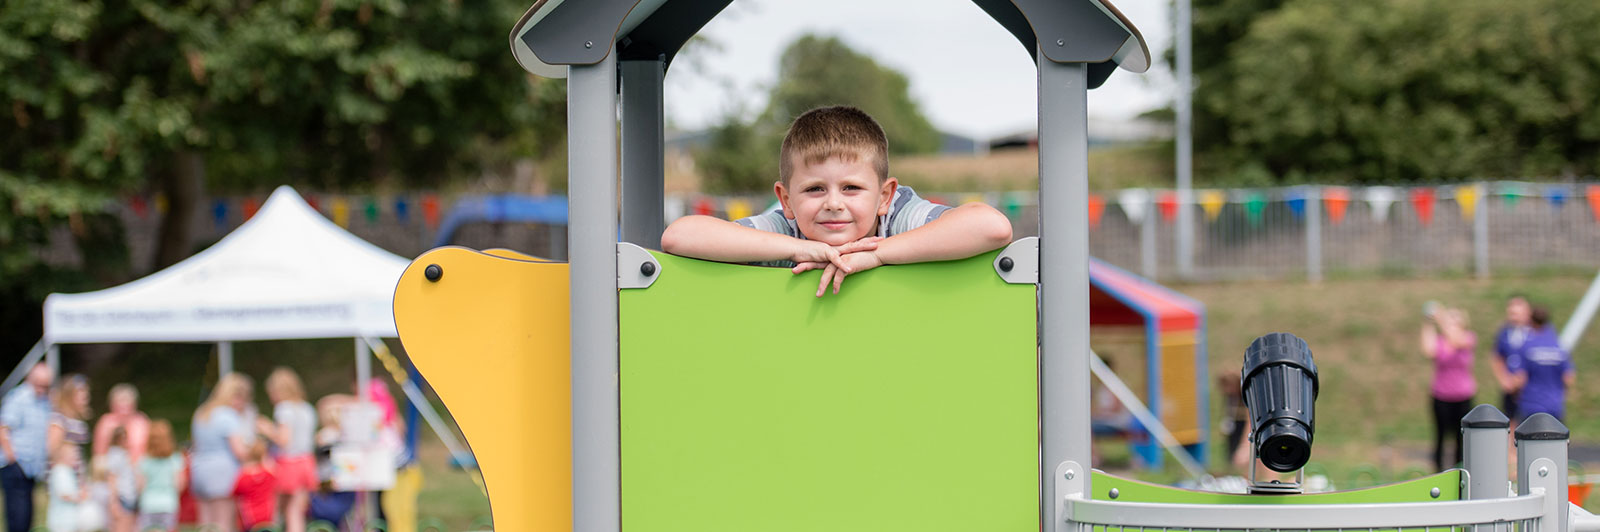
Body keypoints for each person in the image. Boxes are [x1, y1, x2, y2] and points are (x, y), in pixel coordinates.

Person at [660, 105, 1013, 297]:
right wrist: (798, 249)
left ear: (884, 196)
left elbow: (992, 227)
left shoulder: (898, 216)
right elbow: (679, 236)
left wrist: (876, 253)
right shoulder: (787, 227)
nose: (833, 203)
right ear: (785, 199)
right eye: (814, 189)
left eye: (851, 188)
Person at [191, 373, 255, 532]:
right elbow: (239, 451)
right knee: (223, 522)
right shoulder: (228, 415)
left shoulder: (202, 412)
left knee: (206, 523)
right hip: (222, 473)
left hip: (199, 470)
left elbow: (195, 444)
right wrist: (254, 451)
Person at [258, 367, 317, 532]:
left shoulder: (284, 409)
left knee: (280, 510)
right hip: (305, 461)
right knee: (297, 510)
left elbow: (284, 440)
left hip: (288, 463)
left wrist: (266, 428)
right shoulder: (307, 408)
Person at [1421, 304, 1476, 471]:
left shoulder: (1468, 338)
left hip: (1463, 395)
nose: (1449, 323)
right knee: (1440, 437)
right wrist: (1428, 323)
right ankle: (1437, 472)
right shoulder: (1440, 342)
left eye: (1454, 319)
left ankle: (1461, 470)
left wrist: (1441, 317)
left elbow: (1456, 340)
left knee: (1461, 438)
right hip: (1441, 395)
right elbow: (1427, 350)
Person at [0, 363, 54, 532]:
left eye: (45, 385)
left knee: (27, 517)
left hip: (32, 468)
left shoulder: (44, 401)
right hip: (16, 465)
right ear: (30, 379)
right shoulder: (19, 398)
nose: (41, 389)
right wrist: (13, 460)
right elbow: (3, 429)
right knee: (18, 518)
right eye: (39, 384)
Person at [1507, 306, 1576, 422]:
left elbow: (1520, 379)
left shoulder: (1526, 346)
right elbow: (1569, 378)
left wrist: (1513, 392)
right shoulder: (1558, 346)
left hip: (1531, 407)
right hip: (1555, 407)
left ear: (1531, 321)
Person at [138, 420, 184, 532]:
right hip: (169, 504)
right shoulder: (175, 459)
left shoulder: (144, 461)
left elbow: (140, 486)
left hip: (148, 504)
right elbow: (180, 484)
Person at [1492, 295, 1533, 421]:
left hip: (1531, 388)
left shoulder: (1535, 332)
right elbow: (1497, 357)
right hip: (1510, 387)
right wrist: (1505, 380)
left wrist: (1523, 378)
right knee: (1510, 421)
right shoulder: (1505, 333)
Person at [93, 384, 150, 463]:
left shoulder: (141, 420)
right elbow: (99, 452)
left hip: (141, 466)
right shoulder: (106, 422)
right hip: (113, 470)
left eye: (128, 400)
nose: (124, 404)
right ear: (112, 404)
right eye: (120, 400)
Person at [233, 439, 278, 532]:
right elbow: (276, 475)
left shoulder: (244, 476)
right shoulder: (268, 474)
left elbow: (235, 492)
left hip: (250, 516)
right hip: (267, 514)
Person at [48, 374, 93, 465]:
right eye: (81, 397)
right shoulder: (59, 420)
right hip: (63, 475)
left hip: (75, 476)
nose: (86, 399)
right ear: (68, 396)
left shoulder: (78, 422)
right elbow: (51, 451)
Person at [101, 427, 138, 532]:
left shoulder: (123, 454)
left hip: (128, 495)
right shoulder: (115, 455)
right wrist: (114, 502)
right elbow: (111, 479)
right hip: (121, 496)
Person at [47, 443, 88, 532]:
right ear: (62, 456)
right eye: (73, 456)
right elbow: (64, 494)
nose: (76, 458)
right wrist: (79, 497)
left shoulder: (68, 471)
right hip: (61, 522)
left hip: (69, 521)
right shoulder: (60, 471)